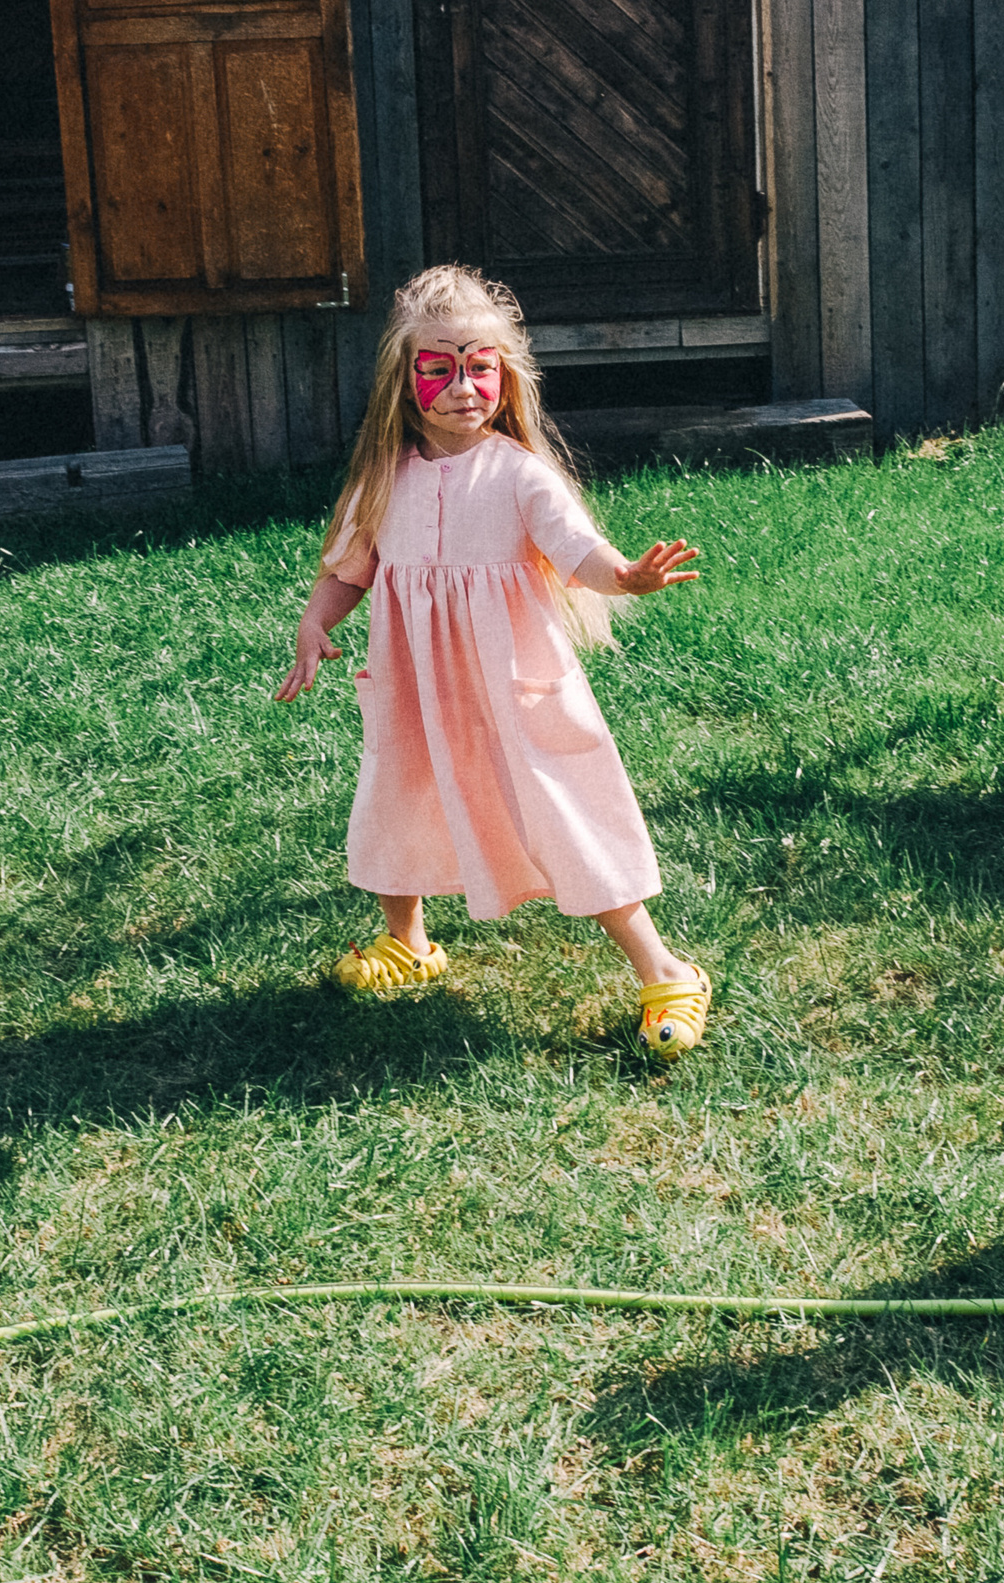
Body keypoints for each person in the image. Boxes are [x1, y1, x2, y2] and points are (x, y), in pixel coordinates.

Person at [273, 264, 714, 1060]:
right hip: (417, 689)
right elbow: (349, 570)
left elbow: (581, 554)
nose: (463, 387)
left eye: (481, 367)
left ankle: (665, 970)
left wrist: (629, 578)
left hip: (517, 692)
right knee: (396, 801)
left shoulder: (520, 475)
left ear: (506, 378)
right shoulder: (382, 478)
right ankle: (406, 944)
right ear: (406, 382)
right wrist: (315, 623)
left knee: (563, 814)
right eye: (439, 367)